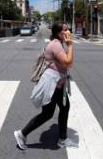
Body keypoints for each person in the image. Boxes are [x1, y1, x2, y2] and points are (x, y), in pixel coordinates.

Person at [14, 22, 78, 150]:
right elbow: (68, 63)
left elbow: (66, 64)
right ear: (59, 33)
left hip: (58, 84)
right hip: (52, 85)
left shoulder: (58, 43)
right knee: (47, 114)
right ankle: (21, 134)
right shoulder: (55, 45)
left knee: (64, 108)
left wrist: (67, 44)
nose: (68, 32)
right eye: (66, 30)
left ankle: (62, 139)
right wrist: (70, 45)